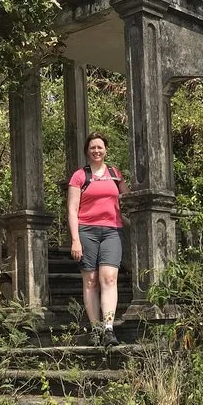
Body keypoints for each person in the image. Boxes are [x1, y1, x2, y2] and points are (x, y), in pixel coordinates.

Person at [67, 132, 129, 347]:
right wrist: (75, 239)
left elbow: (127, 198)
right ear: (87, 151)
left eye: (100, 147)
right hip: (87, 231)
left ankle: (109, 328)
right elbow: (73, 210)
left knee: (109, 278)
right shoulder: (79, 176)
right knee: (91, 280)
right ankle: (95, 329)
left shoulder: (115, 173)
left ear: (106, 150)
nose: (96, 151)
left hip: (112, 230)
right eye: (92, 147)